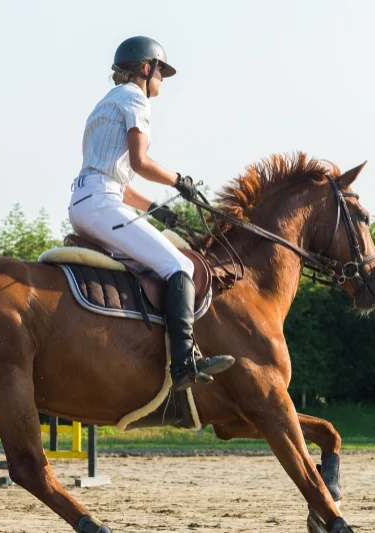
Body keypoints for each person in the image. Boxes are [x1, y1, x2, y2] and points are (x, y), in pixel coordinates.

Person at [68, 36, 234, 391]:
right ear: (146, 68)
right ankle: (184, 362)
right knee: (180, 266)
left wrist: (158, 211)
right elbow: (140, 163)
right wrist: (179, 181)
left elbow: (117, 177)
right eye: (161, 71)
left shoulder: (103, 104)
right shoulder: (136, 99)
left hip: (88, 202)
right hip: (101, 204)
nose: (161, 80)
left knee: (153, 263)